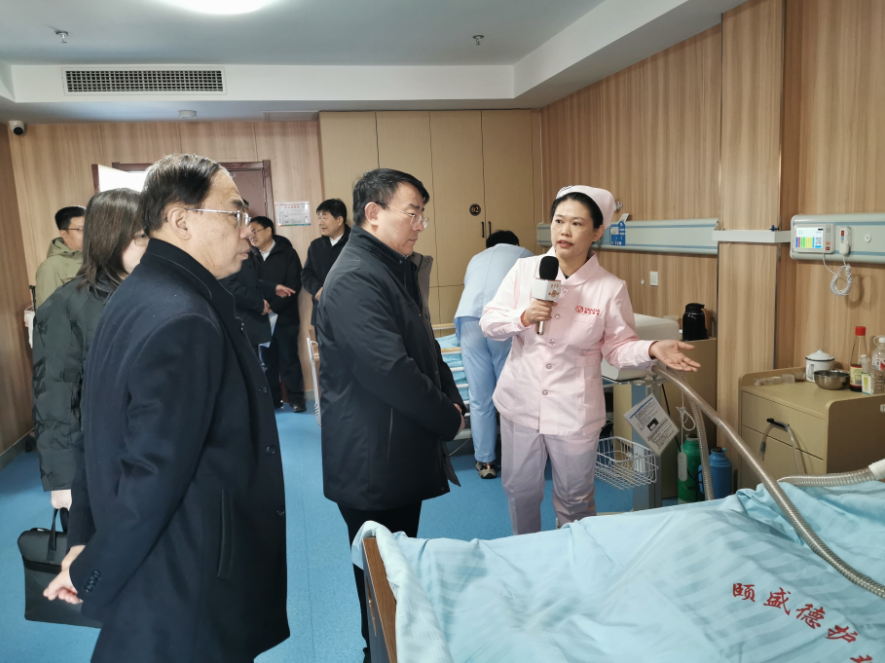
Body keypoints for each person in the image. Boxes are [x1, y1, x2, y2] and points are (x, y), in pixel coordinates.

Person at [44, 154, 290, 663]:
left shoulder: (136, 293)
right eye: (235, 213)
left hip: (160, 565)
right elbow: (153, 470)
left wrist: (84, 539)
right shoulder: (185, 317)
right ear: (181, 220)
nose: (246, 230)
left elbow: (98, 435)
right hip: (188, 571)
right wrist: (91, 567)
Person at [480, 185, 699, 535]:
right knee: (520, 492)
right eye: (558, 221)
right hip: (520, 402)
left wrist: (652, 348)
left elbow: (618, 348)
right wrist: (524, 316)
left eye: (577, 223)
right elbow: (489, 323)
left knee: (576, 500)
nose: (564, 231)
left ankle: (579, 560)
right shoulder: (525, 270)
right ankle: (527, 554)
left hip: (574, 410)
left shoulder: (609, 288)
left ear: (597, 232)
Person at [316, 168, 465, 663]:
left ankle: (396, 650)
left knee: (398, 570)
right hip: (372, 461)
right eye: (412, 213)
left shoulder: (390, 268)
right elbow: (390, 370)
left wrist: (451, 395)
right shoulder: (355, 278)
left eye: (423, 214)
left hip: (393, 452)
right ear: (373, 213)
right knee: (380, 585)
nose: (420, 224)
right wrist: (448, 418)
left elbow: (425, 347)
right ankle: (377, 654)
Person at [32, 189, 147, 520]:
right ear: (110, 238)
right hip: (102, 457)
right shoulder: (66, 304)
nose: (150, 245)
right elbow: (55, 394)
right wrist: (63, 478)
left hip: (155, 453)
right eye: (140, 236)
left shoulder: (155, 291)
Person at [454, 230, 534, 479]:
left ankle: (485, 462)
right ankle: (518, 461)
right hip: (502, 322)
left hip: (469, 321)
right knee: (511, 395)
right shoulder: (525, 255)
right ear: (516, 243)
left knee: (480, 397)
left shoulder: (476, 258)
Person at [249, 216, 306, 412]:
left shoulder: (288, 253)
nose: (252, 236)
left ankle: (296, 399)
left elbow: (293, 284)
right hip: (260, 317)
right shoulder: (249, 256)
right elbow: (249, 284)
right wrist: (261, 306)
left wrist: (273, 307)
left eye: (255, 231)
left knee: (289, 358)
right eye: (250, 232)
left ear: (268, 231)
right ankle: (273, 401)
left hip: (285, 317)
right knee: (267, 362)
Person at [301, 198, 350, 327]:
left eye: (324, 217)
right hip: (321, 312)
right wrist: (317, 289)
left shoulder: (355, 244)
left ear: (339, 220)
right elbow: (306, 274)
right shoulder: (316, 246)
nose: (320, 222)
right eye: (319, 217)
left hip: (349, 312)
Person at [35, 206, 86, 308]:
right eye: (81, 229)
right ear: (64, 234)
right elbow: (48, 313)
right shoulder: (51, 267)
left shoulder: (96, 259)